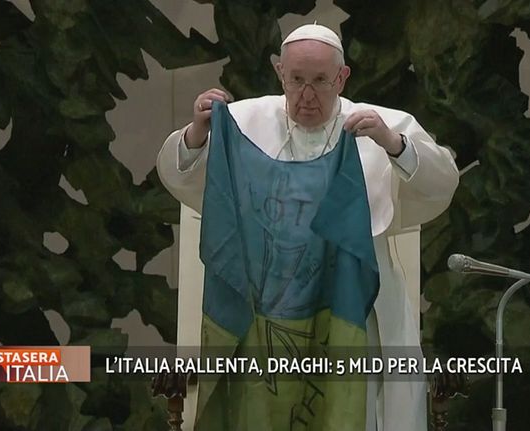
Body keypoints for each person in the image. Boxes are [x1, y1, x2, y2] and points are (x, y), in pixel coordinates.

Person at [157, 23, 459, 431]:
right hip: (267, 314)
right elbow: (184, 178)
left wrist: (393, 145)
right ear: (280, 72)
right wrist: (196, 133)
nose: (307, 95)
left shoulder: (381, 123)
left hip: (352, 306)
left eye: (320, 81)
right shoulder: (243, 122)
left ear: (342, 77)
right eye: (296, 80)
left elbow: (442, 182)